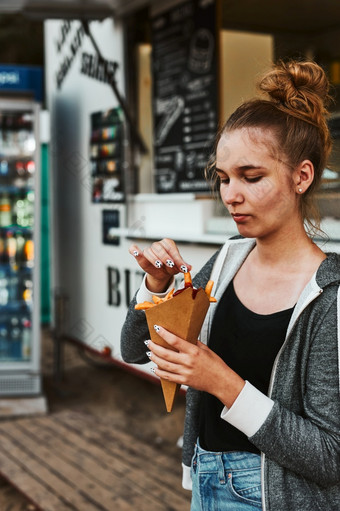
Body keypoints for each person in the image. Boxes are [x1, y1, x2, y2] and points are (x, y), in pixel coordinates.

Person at [120, 60, 340, 511]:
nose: (230, 195)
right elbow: (134, 349)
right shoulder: (226, 261)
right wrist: (156, 287)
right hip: (205, 477)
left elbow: (328, 456)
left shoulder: (329, 297)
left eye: (251, 177)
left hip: (272, 497)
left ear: (302, 176)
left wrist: (223, 384)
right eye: (222, 179)